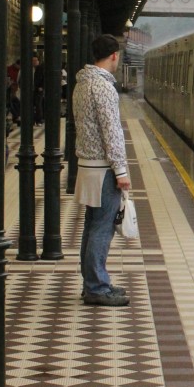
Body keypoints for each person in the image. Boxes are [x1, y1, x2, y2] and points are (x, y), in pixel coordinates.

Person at [72, 34, 131, 307]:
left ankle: (93, 282)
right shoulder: (104, 87)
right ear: (114, 55)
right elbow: (112, 132)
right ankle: (97, 286)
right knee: (102, 228)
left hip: (87, 166)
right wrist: (121, 170)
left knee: (91, 226)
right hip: (103, 169)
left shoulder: (81, 84)